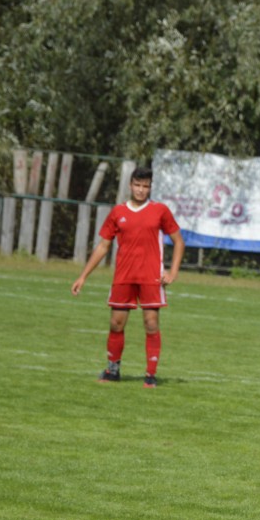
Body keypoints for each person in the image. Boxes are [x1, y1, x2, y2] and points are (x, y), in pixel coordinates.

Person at [71, 166, 184, 388]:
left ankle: (150, 376)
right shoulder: (118, 212)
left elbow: (178, 241)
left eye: (145, 186)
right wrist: (83, 276)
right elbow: (103, 246)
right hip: (123, 276)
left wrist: (173, 272)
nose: (141, 190)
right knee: (116, 324)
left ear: (150, 187)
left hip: (150, 277)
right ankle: (112, 371)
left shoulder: (160, 210)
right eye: (137, 185)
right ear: (130, 185)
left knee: (151, 324)